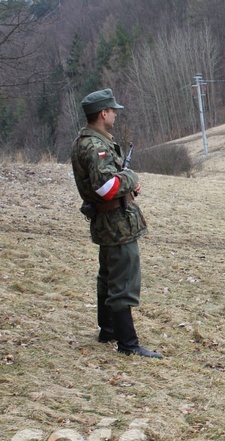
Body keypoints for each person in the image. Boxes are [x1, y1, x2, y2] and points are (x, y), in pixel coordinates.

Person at [70, 89, 161, 358]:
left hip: (107, 220)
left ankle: (109, 330)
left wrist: (125, 188)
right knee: (123, 281)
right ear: (103, 114)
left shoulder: (86, 141)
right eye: (113, 110)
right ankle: (128, 344)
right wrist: (130, 179)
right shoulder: (96, 146)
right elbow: (107, 187)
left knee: (108, 277)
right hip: (115, 223)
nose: (116, 114)